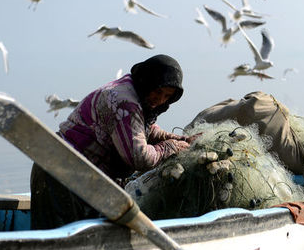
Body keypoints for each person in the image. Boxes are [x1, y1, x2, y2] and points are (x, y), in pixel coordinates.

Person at [30, 54, 194, 229]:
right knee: (62, 245)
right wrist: (170, 147)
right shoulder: (125, 103)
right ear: (147, 82)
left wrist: (179, 139)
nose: (160, 99)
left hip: (77, 175)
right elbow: (140, 158)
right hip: (62, 173)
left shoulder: (135, 93)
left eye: (167, 96)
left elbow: (144, 129)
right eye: (158, 91)